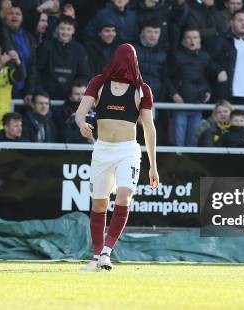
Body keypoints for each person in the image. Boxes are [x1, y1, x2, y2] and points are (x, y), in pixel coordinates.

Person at [75, 43, 159, 271]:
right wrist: (82, 123)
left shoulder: (142, 90)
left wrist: (153, 166)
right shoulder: (99, 82)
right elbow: (80, 112)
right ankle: (95, 255)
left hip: (128, 151)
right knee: (99, 203)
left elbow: (149, 129)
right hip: (102, 149)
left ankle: (106, 252)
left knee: (124, 196)